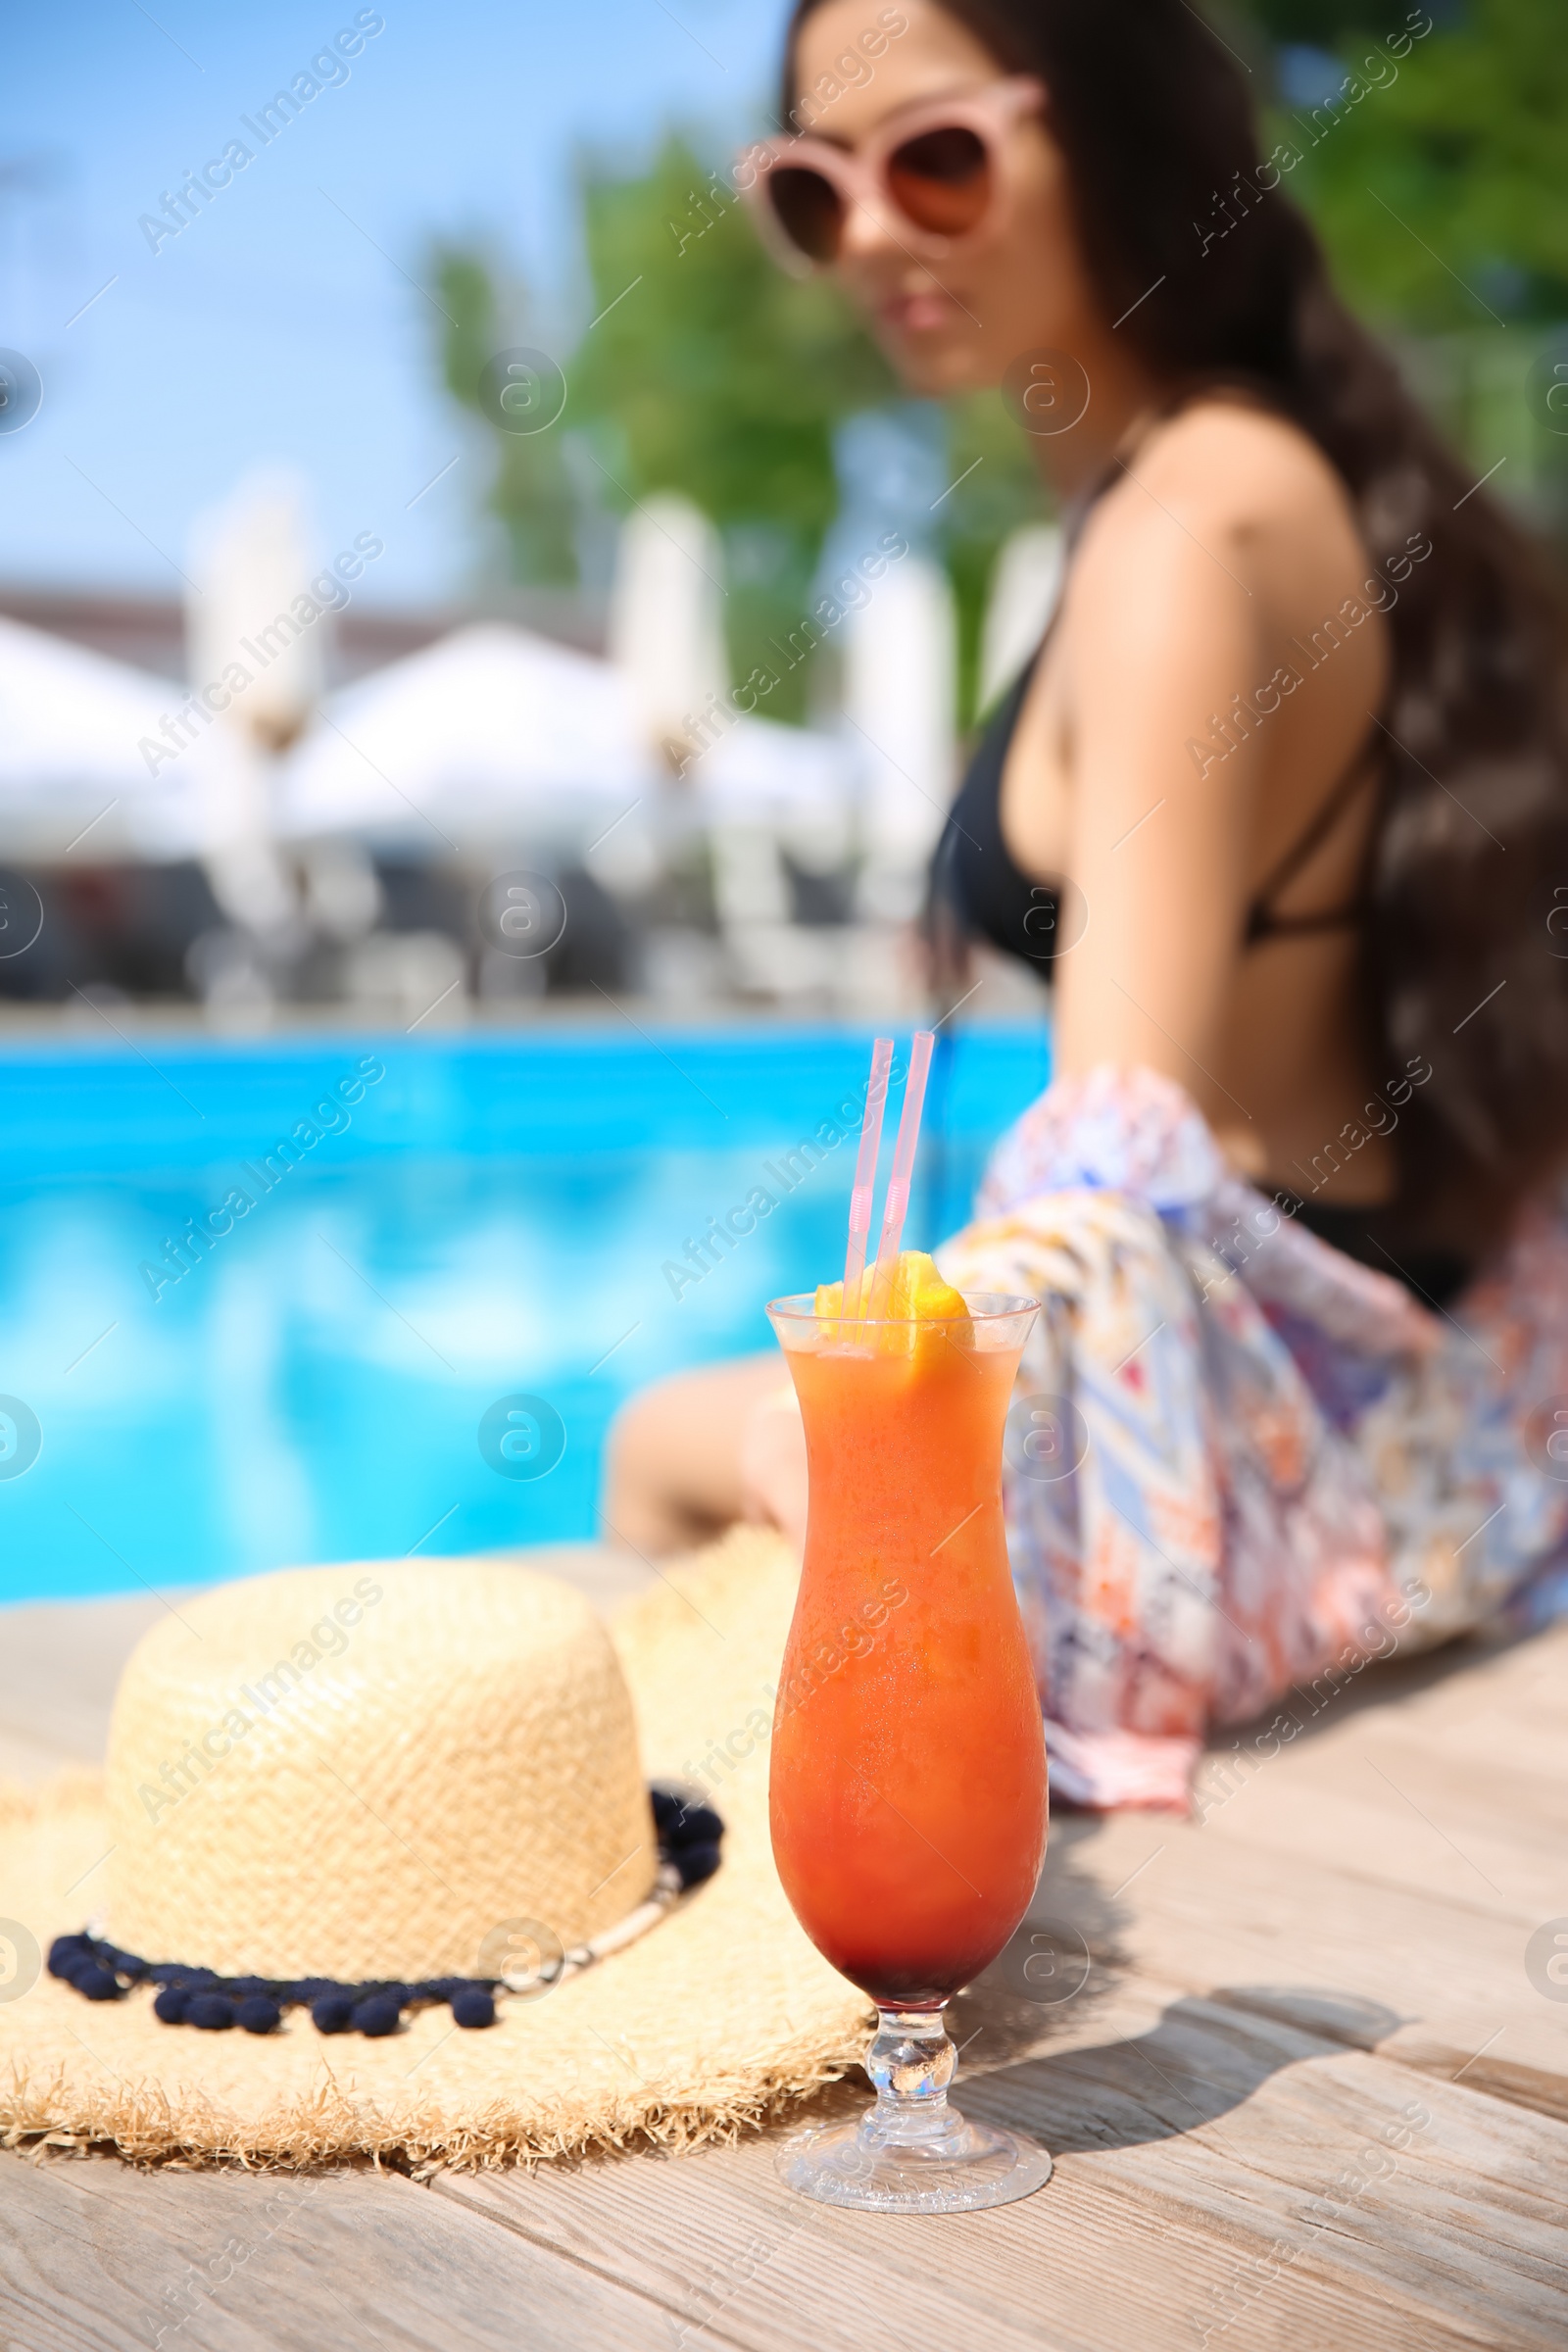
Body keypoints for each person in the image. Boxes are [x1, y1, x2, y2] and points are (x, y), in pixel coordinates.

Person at [605, 0, 1568, 1802]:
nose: (874, 230)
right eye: (813, 192)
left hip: (1251, 1451)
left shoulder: (1185, 535)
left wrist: (893, 1413)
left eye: (938, 157)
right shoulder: (1249, 479)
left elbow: (1114, 1179)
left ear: (1117, 132)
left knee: (661, 1442)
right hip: (1420, 1406)